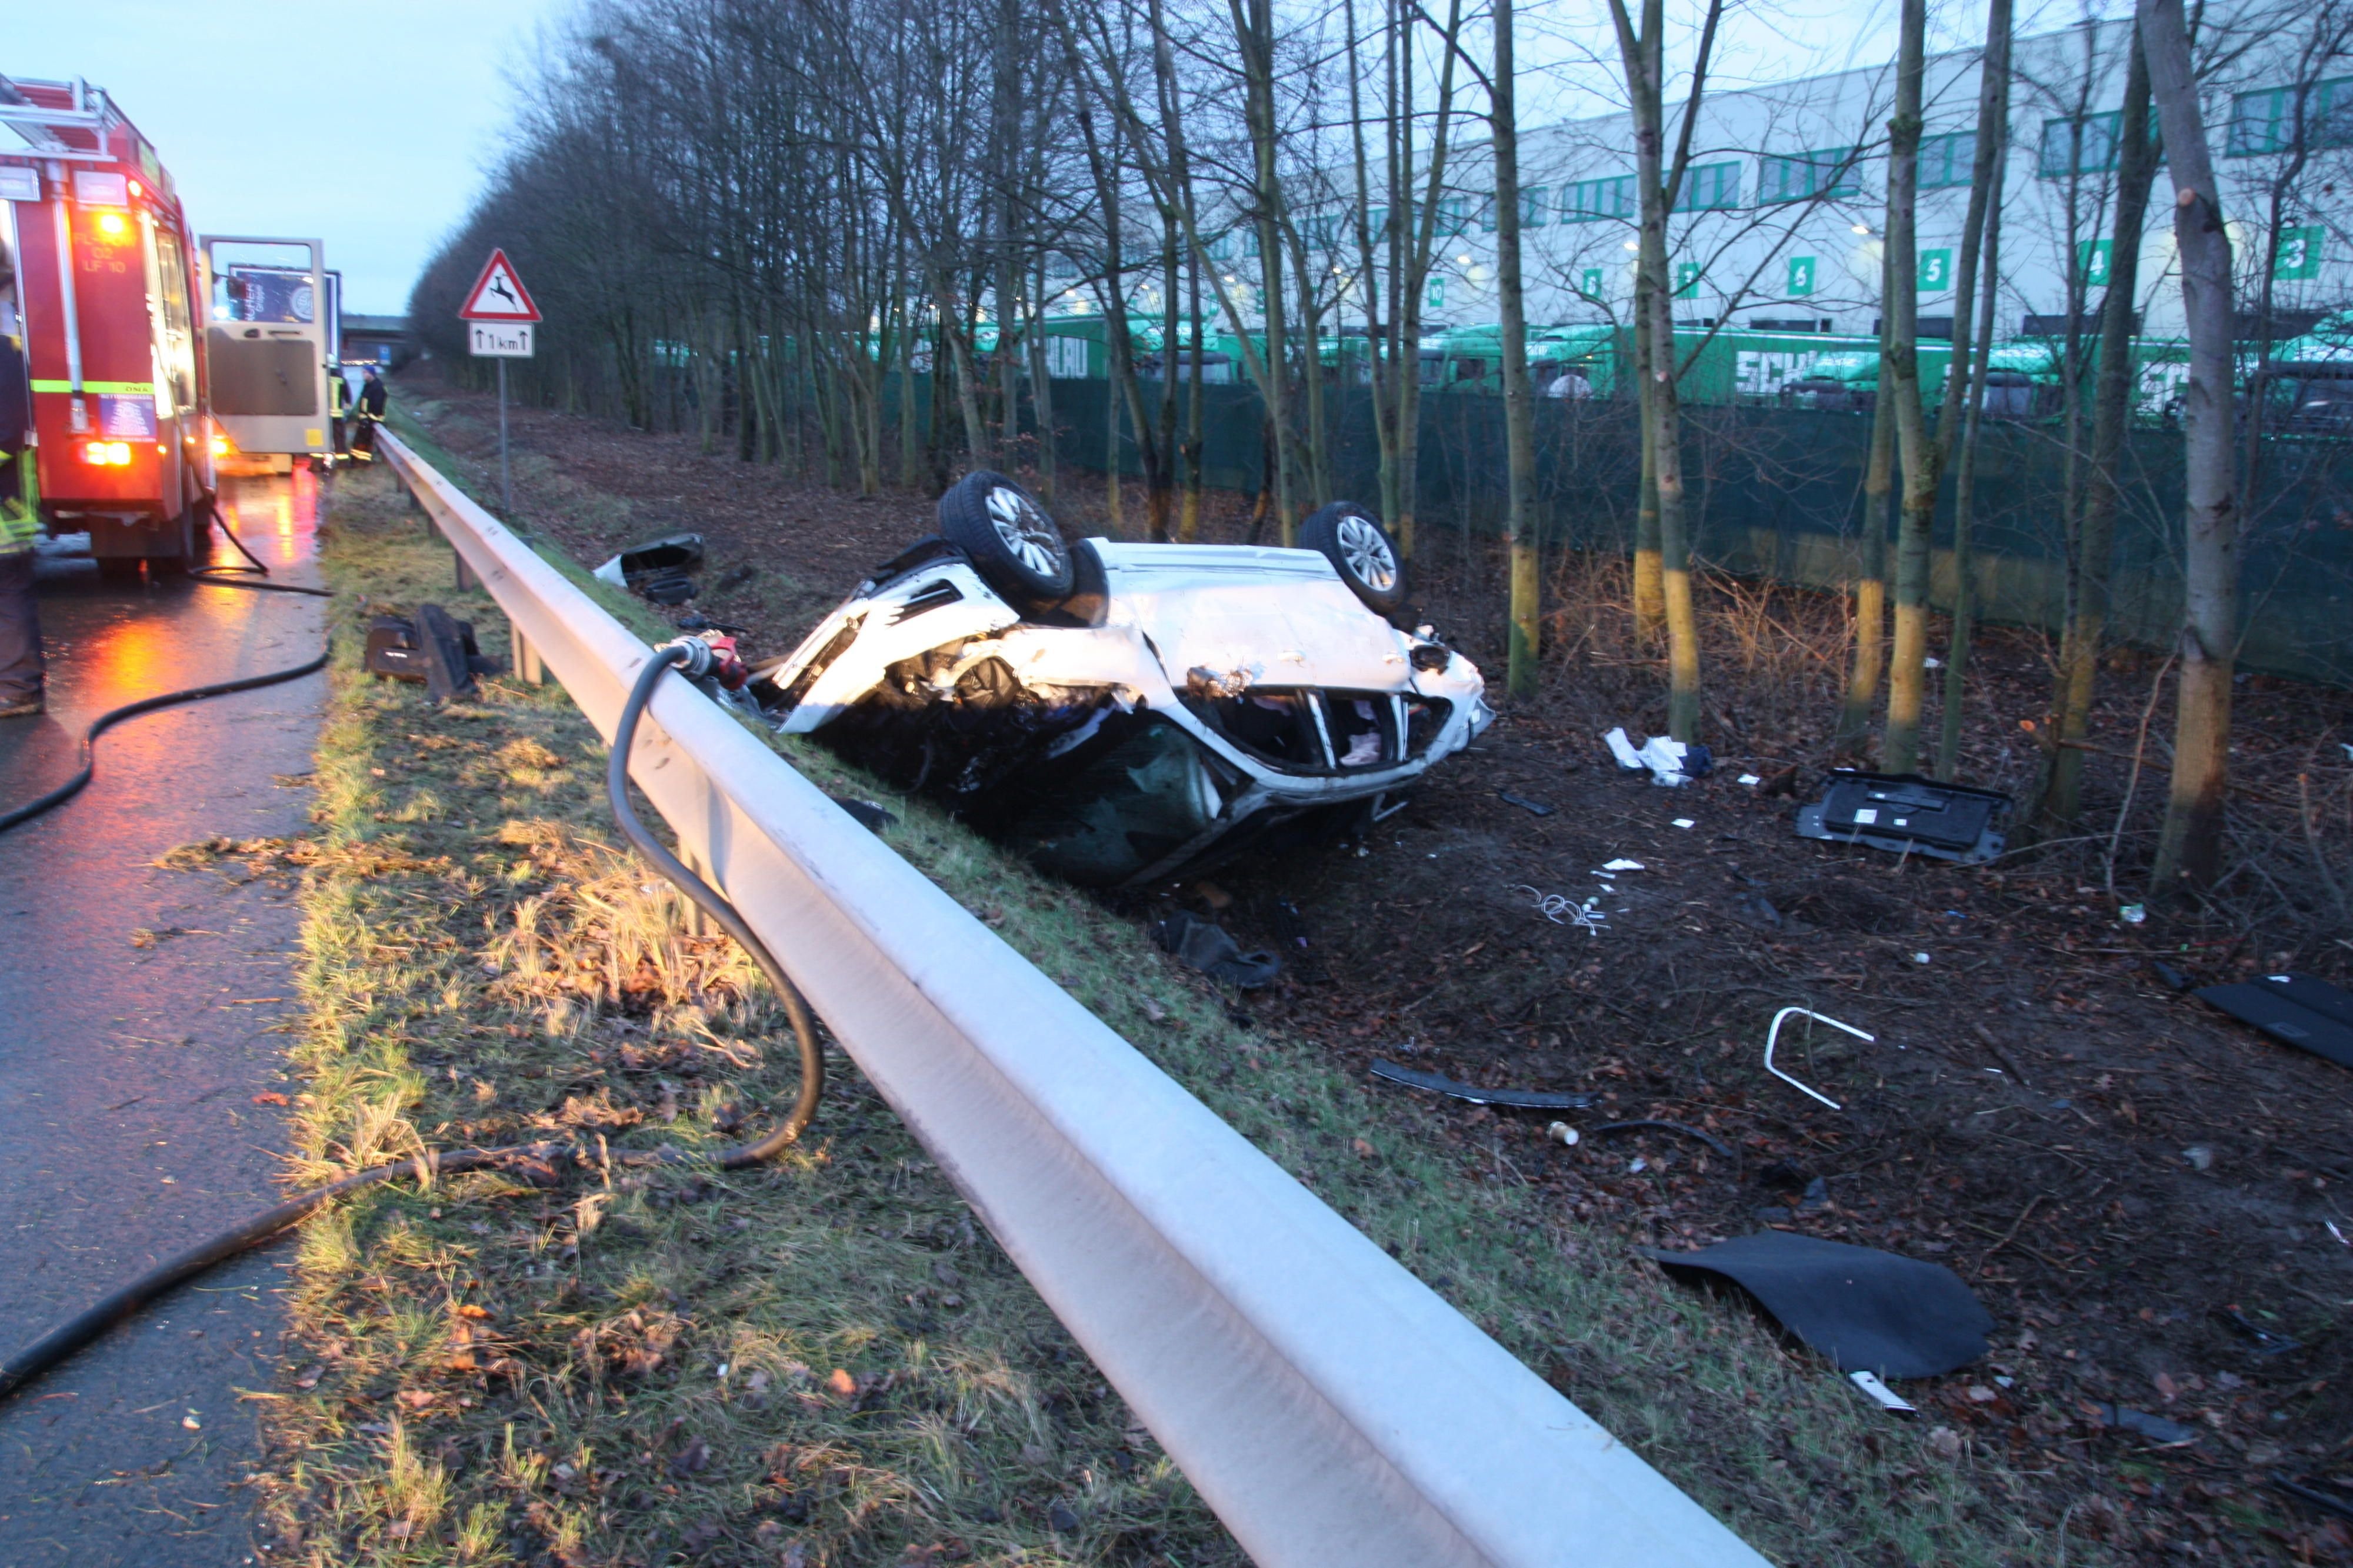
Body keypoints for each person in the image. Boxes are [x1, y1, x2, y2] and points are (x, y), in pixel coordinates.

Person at [0, 236, 41, 718]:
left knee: (9, 591)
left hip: (6, 508)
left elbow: (7, 432)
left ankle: (19, 688)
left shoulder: (5, 351)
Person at [349, 364, 386, 461]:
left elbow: (378, 405)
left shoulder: (378, 387)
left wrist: (369, 418)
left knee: (365, 442)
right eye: (363, 373)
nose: (363, 375)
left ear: (371, 374)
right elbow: (364, 403)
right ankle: (355, 461)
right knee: (358, 441)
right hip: (365, 419)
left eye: (365, 373)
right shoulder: (367, 386)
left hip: (371, 420)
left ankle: (363, 462)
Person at [326, 360, 349, 465]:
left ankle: (317, 463)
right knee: (339, 438)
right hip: (338, 415)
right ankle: (342, 462)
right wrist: (346, 411)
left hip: (323, 417)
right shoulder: (342, 379)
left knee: (319, 437)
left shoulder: (322, 378)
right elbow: (348, 397)